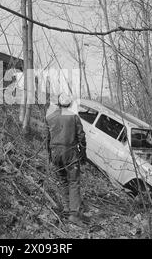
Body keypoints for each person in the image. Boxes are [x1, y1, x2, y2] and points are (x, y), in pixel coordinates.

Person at [46, 93, 88, 226]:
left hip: (55, 153)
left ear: (58, 103)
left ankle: (66, 209)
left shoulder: (50, 117)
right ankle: (74, 215)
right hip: (69, 152)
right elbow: (81, 137)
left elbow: (47, 137)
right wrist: (83, 153)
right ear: (69, 104)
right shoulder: (74, 117)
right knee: (74, 182)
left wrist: (49, 155)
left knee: (63, 181)